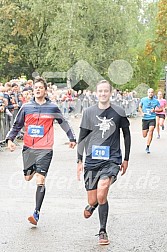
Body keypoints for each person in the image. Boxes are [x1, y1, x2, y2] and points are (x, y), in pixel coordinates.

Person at [6, 76, 76, 225]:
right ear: (33, 90)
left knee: (40, 179)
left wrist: (72, 138)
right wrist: (10, 139)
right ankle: (31, 171)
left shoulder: (52, 108)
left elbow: (64, 123)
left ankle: (36, 213)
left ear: (45, 91)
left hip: (45, 148)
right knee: (28, 177)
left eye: (40, 88)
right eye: (35, 87)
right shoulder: (26, 107)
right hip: (29, 148)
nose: (38, 89)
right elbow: (17, 125)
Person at [77, 80, 131, 245]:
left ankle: (102, 231)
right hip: (92, 161)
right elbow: (82, 137)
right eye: (100, 91)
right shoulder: (88, 112)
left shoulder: (119, 112)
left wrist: (126, 158)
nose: (103, 94)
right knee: (93, 199)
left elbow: (127, 135)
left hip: (112, 159)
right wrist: (79, 159)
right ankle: (93, 206)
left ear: (110, 92)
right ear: (96, 93)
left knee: (102, 190)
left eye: (105, 91)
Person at [138, 88, 162, 153]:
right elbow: (139, 106)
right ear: (147, 93)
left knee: (151, 131)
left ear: (153, 93)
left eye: (151, 92)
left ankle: (147, 147)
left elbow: (161, 109)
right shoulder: (143, 99)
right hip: (145, 118)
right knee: (144, 135)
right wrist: (142, 112)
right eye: (149, 92)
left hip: (152, 118)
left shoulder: (156, 101)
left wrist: (155, 110)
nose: (150, 93)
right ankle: (147, 129)